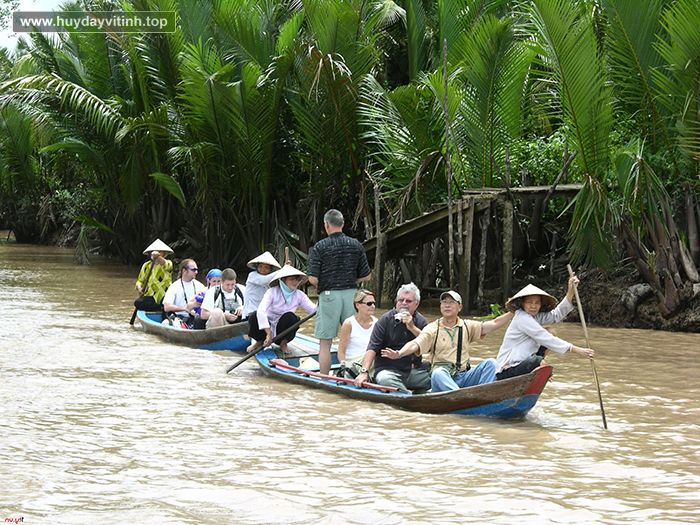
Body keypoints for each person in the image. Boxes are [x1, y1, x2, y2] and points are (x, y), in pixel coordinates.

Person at [382, 291, 513, 392]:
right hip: (443, 378)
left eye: (451, 302)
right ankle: (461, 397)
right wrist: (399, 353)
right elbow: (415, 343)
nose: (447, 305)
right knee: (437, 373)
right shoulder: (433, 328)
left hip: (463, 375)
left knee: (491, 363)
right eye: (444, 302)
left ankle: (483, 395)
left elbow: (494, 323)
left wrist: (513, 312)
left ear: (459, 307)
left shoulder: (467, 326)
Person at [307, 209, 371, 374]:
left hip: (329, 296)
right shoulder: (355, 245)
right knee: (353, 337)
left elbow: (313, 279)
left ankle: (324, 379)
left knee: (325, 343)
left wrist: (327, 283)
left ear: (326, 225)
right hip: (352, 296)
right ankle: (359, 373)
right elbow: (367, 275)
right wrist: (351, 281)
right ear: (342, 224)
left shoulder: (320, 247)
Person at [495, 276, 595, 380]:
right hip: (508, 369)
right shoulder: (522, 318)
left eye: (537, 303)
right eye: (529, 302)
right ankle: (539, 365)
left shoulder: (535, 317)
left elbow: (556, 315)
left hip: (523, 362)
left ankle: (538, 366)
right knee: (538, 359)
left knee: (551, 331)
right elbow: (544, 337)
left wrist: (570, 291)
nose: (533, 306)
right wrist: (576, 349)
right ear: (523, 303)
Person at [353, 283, 430, 394]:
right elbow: (372, 347)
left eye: (408, 301)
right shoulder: (385, 320)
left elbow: (429, 345)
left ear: (416, 304)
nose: (404, 303)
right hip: (388, 371)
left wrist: (412, 327)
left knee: (436, 376)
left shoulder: (421, 321)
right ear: (396, 302)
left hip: (412, 372)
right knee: (385, 379)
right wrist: (364, 372)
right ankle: (409, 396)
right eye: (401, 300)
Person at [247, 264, 317, 355]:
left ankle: (283, 343)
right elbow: (261, 311)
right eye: (291, 279)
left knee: (292, 317)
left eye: (296, 279)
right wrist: (268, 333)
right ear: (283, 280)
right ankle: (259, 341)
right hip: (266, 329)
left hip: (283, 331)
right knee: (254, 315)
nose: (295, 282)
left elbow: (313, 310)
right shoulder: (272, 292)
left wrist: (323, 300)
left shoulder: (299, 295)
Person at [336, 289, 377, 376]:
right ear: (358, 305)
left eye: (374, 303)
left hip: (370, 360)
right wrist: (344, 366)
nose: (373, 306)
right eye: (369, 304)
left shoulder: (377, 323)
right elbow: (341, 351)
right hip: (354, 362)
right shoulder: (349, 323)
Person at [162, 258, 207, 327]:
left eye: (197, 270)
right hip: (179, 317)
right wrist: (185, 308)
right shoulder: (174, 286)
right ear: (184, 270)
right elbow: (167, 307)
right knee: (167, 322)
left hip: (195, 317)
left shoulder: (200, 286)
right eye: (193, 270)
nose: (196, 272)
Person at [134, 238, 173, 311]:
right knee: (137, 303)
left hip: (164, 295)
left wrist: (158, 257)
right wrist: (139, 288)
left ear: (164, 254)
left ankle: (163, 307)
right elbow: (139, 281)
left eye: (159, 252)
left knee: (165, 301)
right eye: (153, 252)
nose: (155, 253)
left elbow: (165, 264)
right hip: (151, 296)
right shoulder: (146, 265)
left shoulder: (168, 263)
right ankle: (161, 308)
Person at [243, 251, 282, 318]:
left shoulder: (271, 281)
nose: (263, 269)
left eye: (266, 267)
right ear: (257, 267)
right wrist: (281, 271)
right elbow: (263, 280)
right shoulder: (252, 275)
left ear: (270, 269)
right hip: (250, 314)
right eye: (260, 266)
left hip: (264, 314)